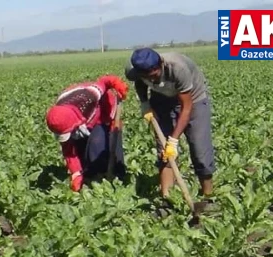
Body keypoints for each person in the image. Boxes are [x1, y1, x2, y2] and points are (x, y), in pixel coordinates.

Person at [125, 48, 217, 203]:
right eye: (146, 75)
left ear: (160, 63)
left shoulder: (177, 69)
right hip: (161, 99)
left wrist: (173, 141)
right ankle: (167, 200)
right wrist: (145, 104)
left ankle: (208, 197)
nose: (151, 78)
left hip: (193, 100)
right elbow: (139, 84)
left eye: (154, 74)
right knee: (165, 153)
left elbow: (186, 107)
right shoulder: (134, 71)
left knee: (200, 150)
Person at [44, 74, 129, 191]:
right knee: (80, 149)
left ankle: (117, 178)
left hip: (103, 110)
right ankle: (90, 178)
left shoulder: (90, 96)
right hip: (79, 118)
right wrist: (76, 174)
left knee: (99, 144)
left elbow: (105, 81)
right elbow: (69, 151)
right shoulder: (59, 117)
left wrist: (116, 83)